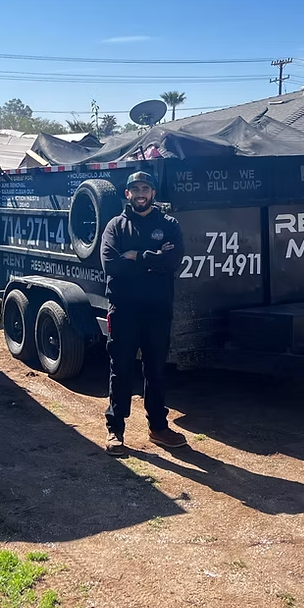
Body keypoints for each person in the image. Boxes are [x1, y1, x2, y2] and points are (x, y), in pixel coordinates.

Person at [99, 171, 187, 456]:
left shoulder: (169, 225)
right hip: (124, 310)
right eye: (135, 188)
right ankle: (115, 430)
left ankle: (159, 428)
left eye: (145, 188)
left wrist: (137, 255)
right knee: (121, 369)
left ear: (153, 193)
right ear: (127, 194)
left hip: (158, 309)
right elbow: (111, 264)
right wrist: (154, 258)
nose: (140, 193)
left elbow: (172, 261)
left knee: (156, 370)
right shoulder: (115, 226)